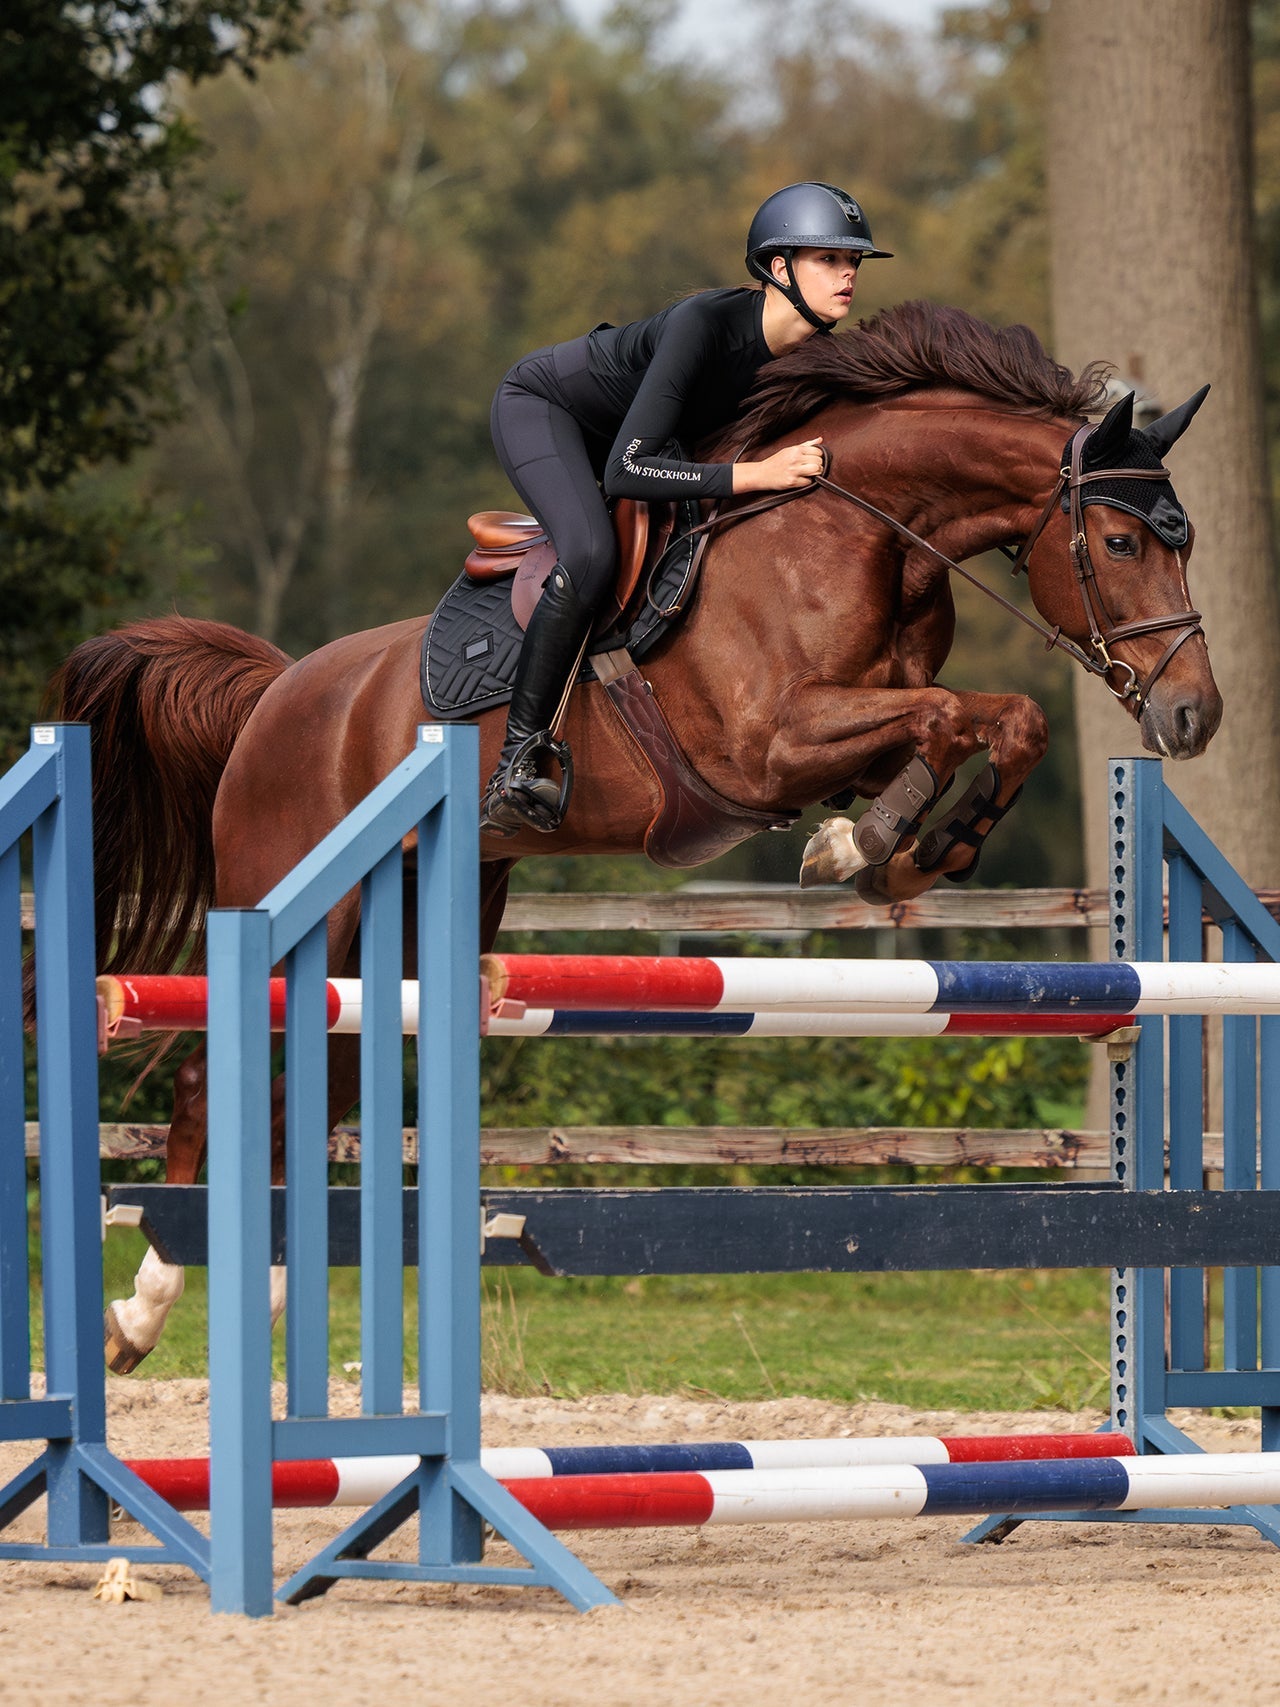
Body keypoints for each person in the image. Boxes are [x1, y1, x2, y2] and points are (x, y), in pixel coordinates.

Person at [479, 180, 893, 836]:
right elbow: (628, 468)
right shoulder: (702, 325)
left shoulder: (818, 358)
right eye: (829, 260)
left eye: (853, 263)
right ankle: (518, 760)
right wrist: (756, 474)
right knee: (589, 554)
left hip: (641, 441)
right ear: (778, 268)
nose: (848, 275)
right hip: (549, 412)